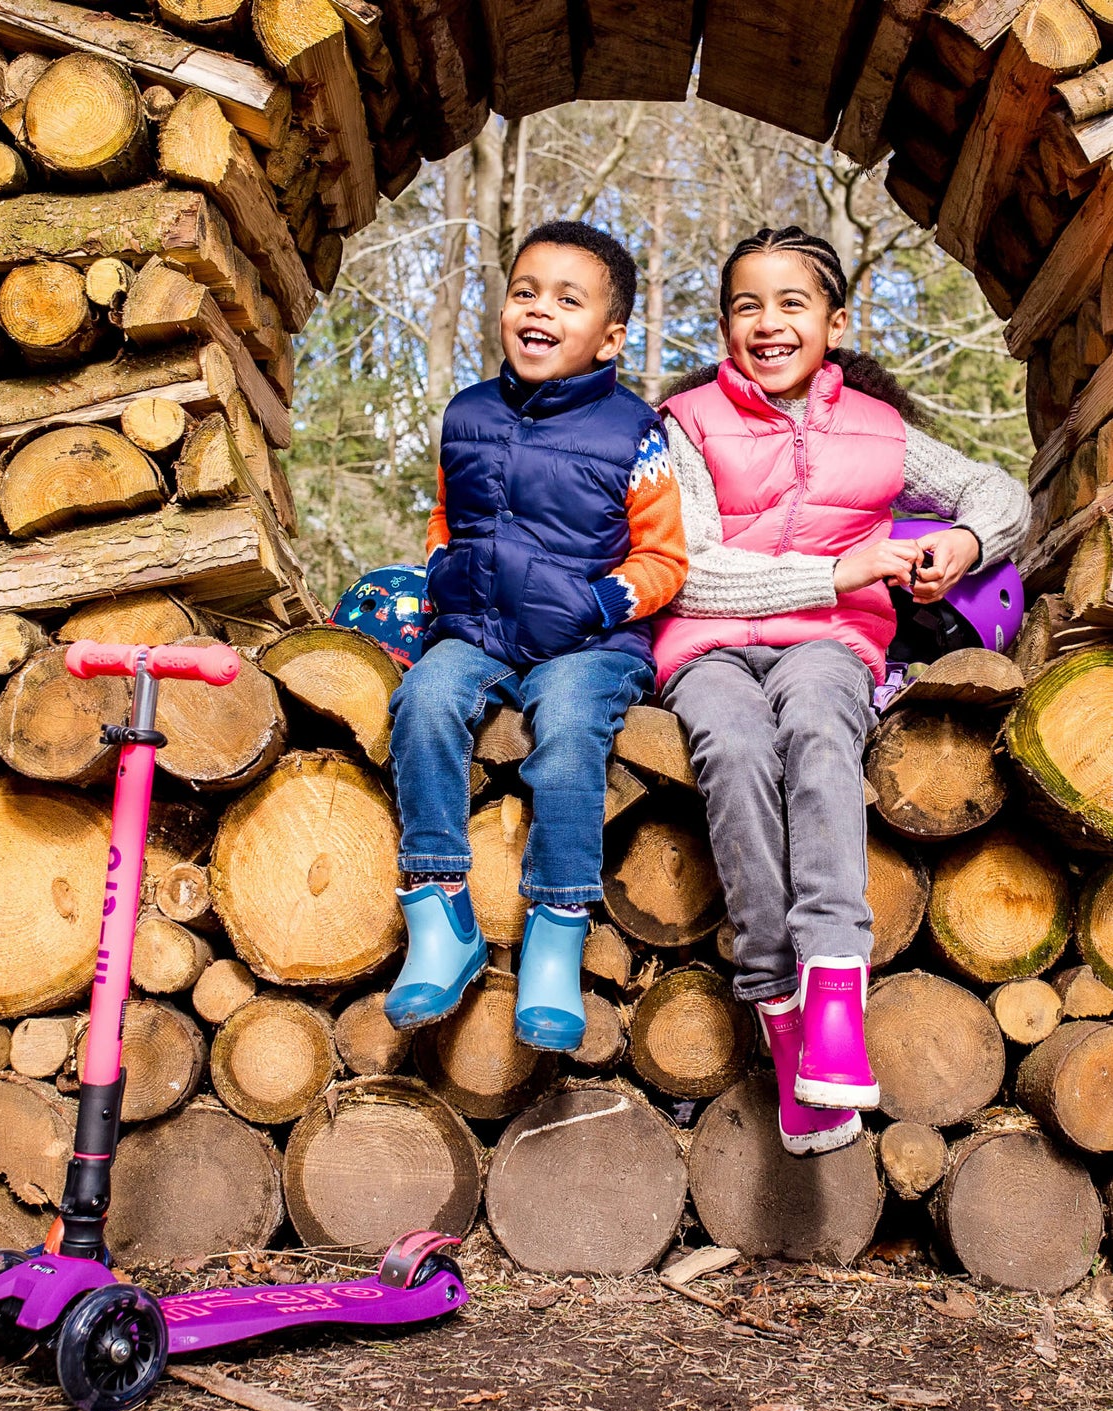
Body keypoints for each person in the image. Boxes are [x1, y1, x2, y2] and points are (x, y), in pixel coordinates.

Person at [656, 225, 1031, 1154]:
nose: (769, 323)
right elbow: (689, 571)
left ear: (834, 321)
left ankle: (832, 998)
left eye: (792, 303)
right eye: (747, 305)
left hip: (827, 644)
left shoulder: (880, 429)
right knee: (736, 750)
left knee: (820, 733)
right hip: (707, 645)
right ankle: (778, 1008)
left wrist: (968, 542)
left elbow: (997, 491)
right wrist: (838, 569)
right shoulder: (686, 422)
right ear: (723, 326)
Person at [383, 220, 689, 1052]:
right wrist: (443, 571)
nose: (538, 310)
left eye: (567, 298)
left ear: (609, 337)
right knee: (425, 699)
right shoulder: (467, 413)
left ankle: (557, 926)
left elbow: (665, 558)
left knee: (564, 730)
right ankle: (440, 913)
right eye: (525, 291)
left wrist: (595, 605)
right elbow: (448, 516)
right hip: (476, 627)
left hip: (588, 642)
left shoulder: (635, 432)